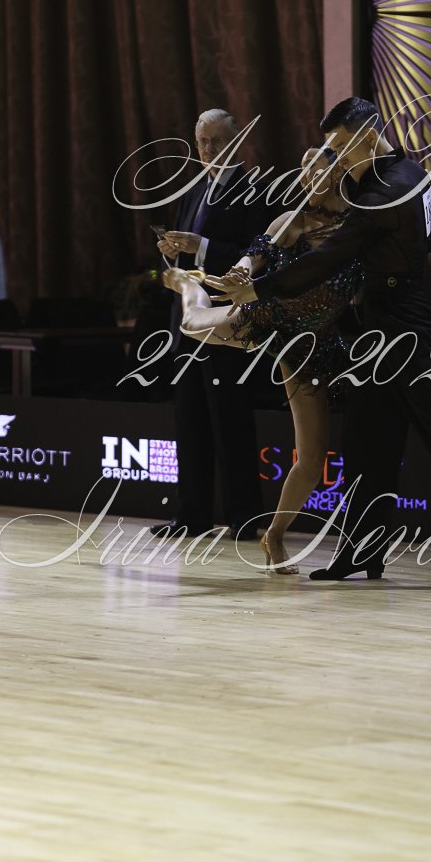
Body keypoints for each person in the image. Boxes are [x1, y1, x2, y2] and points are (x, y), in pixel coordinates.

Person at [207, 98, 431, 591]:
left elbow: (332, 256)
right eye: (332, 147)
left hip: (406, 327)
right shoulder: (408, 175)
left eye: (341, 146)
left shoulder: (386, 189)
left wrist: (259, 289)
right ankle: (362, 551)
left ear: (370, 134)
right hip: (374, 325)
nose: (338, 157)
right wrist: (398, 255)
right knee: (367, 442)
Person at [163, 146, 363, 573]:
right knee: (192, 323)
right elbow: (254, 254)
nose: (307, 176)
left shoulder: (357, 225)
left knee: (312, 460)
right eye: (303, 170)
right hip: (269, 320)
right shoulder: (291, 221)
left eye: (316, 168)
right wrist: (240, 270)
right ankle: (188, 285)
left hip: (314, 345)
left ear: (338, 171)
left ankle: (274, 535)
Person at [149, 108, 269, 541]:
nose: (208, 149)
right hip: (187, 322)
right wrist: (173, 250)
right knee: (190, 423)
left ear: (236, 142)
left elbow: (257, 255)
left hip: (226, 324)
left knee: (230, 421)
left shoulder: (254, 190)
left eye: (217, 140)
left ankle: (245, 517)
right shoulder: (195, 188)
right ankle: (191, 515)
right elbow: (186, 253)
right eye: (202, 141)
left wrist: (201, 246)